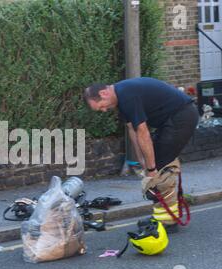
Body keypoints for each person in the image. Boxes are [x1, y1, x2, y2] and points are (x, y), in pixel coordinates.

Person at [84, 77, 199, 232]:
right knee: (158, 162)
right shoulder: (121, 97)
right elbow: (133, 130)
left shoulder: (127, 95)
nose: (104, 110)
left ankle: (168, 221)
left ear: (104, 93)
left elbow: (143, 132)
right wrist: (142, 161)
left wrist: (151, 170)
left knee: (160, 165)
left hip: (182, 116)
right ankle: (164, 215)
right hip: (172, 119)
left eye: (101, 107)